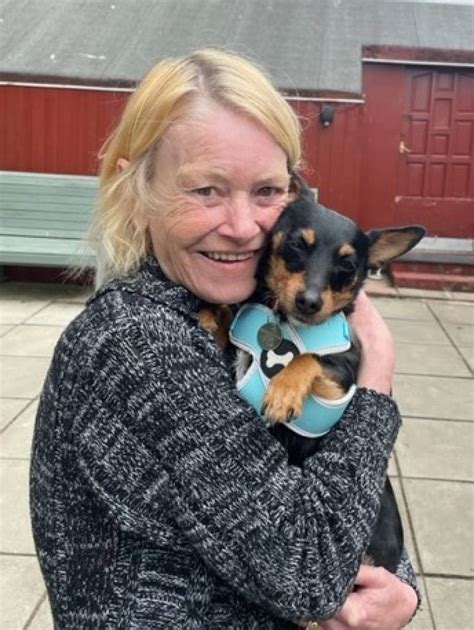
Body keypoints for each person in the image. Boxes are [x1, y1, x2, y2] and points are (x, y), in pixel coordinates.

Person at [30, 49, 419, 629]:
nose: (242, 227)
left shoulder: (236, 307)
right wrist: (377, 380)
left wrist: (399, 586)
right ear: (138, 191)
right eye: (205, 190)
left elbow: (340, 491)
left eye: (266, 191)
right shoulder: (138, 344)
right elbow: (309, 571)